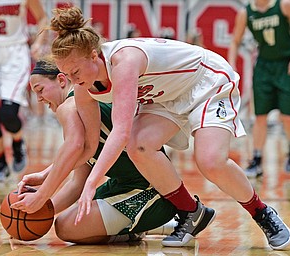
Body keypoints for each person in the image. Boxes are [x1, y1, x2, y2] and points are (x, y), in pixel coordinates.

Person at [48, 6, 290, 250]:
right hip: (165, 97)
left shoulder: (124, 61)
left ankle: (262, 213)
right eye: (67, 74)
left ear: (93, 55)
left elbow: (119, 131)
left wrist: (92, 183)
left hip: (205, 81)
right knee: (140, 145)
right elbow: (90, 145)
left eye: (75, 71)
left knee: (211, 162)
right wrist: (44, 180)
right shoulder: (84, 84)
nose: (72, 79)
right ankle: (191, 212)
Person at [11, 59, 181, 244]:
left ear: (61, 80)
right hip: (127, 185)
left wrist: (41, 194)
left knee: (65, 227)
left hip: (152, 190)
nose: (39, 99)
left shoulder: (69, 107)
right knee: (75, 216)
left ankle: (146, 224)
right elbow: (77, 183)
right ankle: (148, 227)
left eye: (40, 90)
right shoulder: (80, 107)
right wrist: (36, 213)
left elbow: (75, 146)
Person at [228, 0, 290, 177]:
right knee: (259, 115)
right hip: (263, 67)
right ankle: (257, 160)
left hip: (287, 65)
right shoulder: (246, 13)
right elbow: (235, 41)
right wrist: (230, 67)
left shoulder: (285, 5)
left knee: (287, 116)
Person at [0, 0, 47, 182]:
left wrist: (38, 43)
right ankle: (0, 164)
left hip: (15, 51)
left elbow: (42, 17)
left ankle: (18, 144)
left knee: (8, 114)